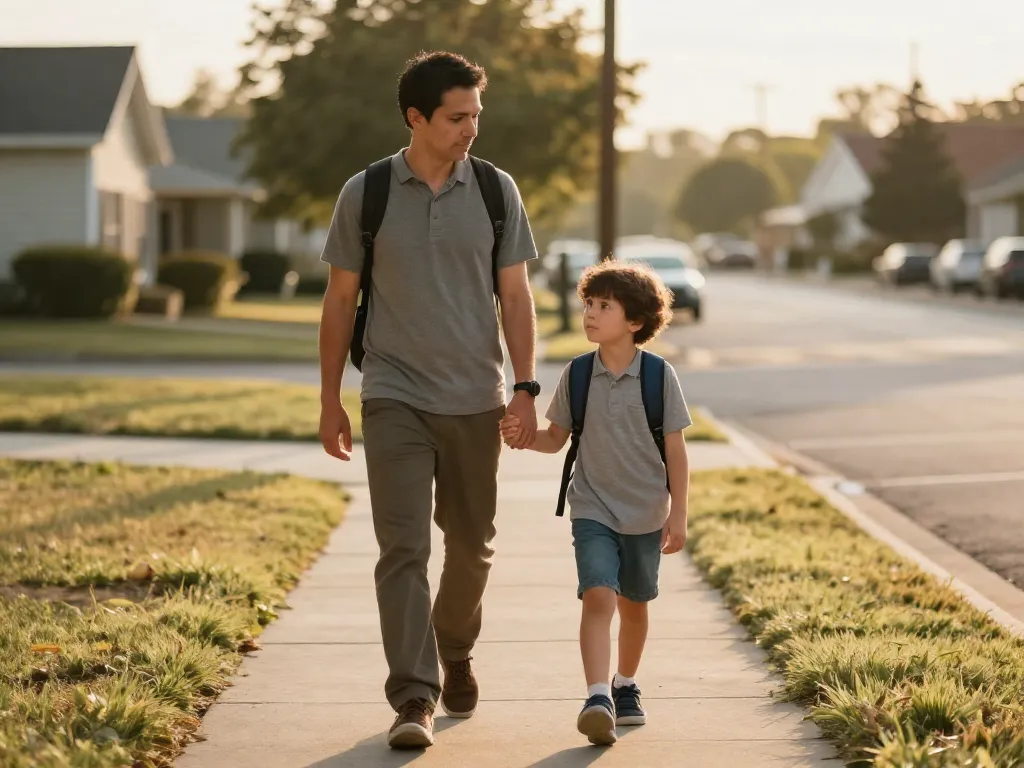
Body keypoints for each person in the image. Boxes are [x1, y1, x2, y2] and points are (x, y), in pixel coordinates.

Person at [317, 50, 541, 750]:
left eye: (476, 113)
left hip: (477, 396)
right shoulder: (369, 192)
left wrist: (527, 388)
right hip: (394, 394)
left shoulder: (497, 191)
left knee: (472, 547)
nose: (471, 127)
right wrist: (331, 399)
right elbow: (340, 299)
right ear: (416, 117)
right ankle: (413, 694)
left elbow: (516, 295)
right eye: (456, 116)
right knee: (403, 548)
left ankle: (456, 645)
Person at [501, 260, 692, 746]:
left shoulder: (658, 376)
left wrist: (679, 514)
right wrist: (525, 437)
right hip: (592, 506)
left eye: (603, 306)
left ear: (634, 322)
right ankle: (596, 697)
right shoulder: (578, 374)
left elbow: (676, 450)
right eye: (588, 303)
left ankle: (625, 684)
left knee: (634, 604)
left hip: (647, 511)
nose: (589, 314)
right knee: (598, 595)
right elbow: (556, 438)